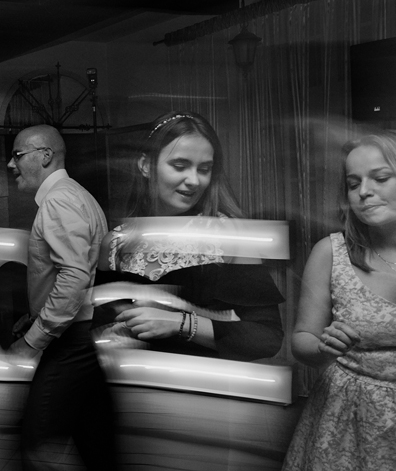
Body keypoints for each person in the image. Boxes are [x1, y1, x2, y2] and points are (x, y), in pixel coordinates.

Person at [274, 133, 396, 471]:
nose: (364, 191)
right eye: (353, 183)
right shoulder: (331, 252)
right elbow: (302, 340)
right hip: (346, 424)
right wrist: (324, 348)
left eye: (381, 177)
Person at [93, 111, 284, 362]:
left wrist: (180, 323)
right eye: (180, 166)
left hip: (203, 381)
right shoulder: (116, 243)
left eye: (204, 169)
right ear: (146, 166)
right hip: (139, 380)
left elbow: (267, 337)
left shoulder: (230, 237)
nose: (194, 180)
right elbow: (100, 329)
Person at [3, 124, 120, 471]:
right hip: (83, 338)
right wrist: (36, 316)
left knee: (36, 449)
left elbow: (73, 278)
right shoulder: (77, 196)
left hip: (70, 343)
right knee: (95, 450)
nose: (11, 164)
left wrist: (33, 340)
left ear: (45, 156)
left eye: (18, 154)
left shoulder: (57, 202)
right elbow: (76, 274)